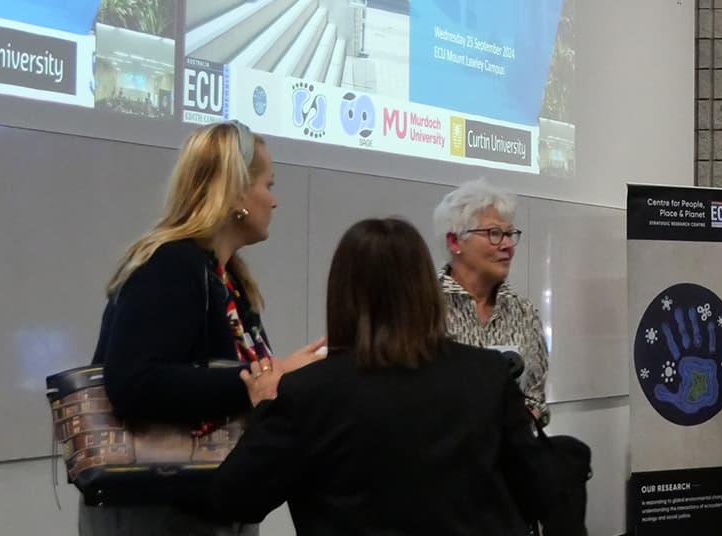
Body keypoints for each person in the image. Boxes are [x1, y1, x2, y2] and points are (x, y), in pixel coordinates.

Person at [210, 217, 545, 534]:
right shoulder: (488, 375)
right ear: (426, 289)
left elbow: (234, 499)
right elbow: (535, 490)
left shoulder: (306, 393)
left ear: (341, 295)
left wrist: (265, 404)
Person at [83, 120, 326, 536]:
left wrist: (281, 379)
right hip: (158, 511)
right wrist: (262, 380)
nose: (275, 201)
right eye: (268, 185)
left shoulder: (227, 277)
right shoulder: (170, 265)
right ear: (235, 193)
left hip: (204, 506)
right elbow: (133, 383)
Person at [435, 179, 549, 424]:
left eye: (509, 234)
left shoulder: (524, 312)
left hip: (507, 458)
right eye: (494, 234)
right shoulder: (421, 307)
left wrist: (528, 416)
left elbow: (536, 399)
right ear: (455, 242)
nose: (507, 245)